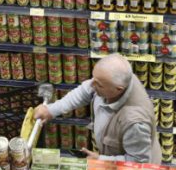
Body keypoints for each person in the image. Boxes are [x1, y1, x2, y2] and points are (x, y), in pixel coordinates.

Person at [34, 53, 162, 164]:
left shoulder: (135, 123)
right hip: (112, 158)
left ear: (118, 89)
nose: (92, 85)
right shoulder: (113, 79)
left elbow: (138, 161)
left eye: (98, 85)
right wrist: (51, 110)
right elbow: (84, 91)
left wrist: (101, 160)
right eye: (93, 79)